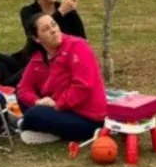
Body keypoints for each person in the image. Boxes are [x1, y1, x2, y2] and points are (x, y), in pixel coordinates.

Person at [16, 13, 108, 144]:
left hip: (87, 117)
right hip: (56, 107)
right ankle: (41, 125)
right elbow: (23, 89)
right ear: (37, 38)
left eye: (53, 24)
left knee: (33, 114)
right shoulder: (38, 57)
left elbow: (82, 88)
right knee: (22, 98)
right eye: (45, 29)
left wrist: (57, 105)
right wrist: (38, 101)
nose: (53, 30)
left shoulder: (77, 46)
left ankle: (43, 127)